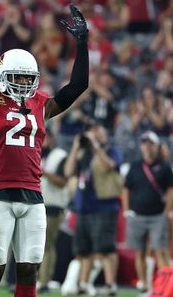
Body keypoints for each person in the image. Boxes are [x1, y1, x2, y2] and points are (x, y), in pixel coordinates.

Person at [0, 0, 89, 297]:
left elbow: (77, 86)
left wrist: (83, 45)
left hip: (34, 196)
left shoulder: (40, 105)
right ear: (1, 76)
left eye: (28, 78)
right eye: (17, 77)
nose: (23, 83)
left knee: (28, 270)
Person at [64, 123, 123, 296]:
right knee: (84, 249)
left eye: (98, 131)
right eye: (92, 132)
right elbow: (68, 172)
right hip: (83, 207)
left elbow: (110, 165)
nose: (95, 135)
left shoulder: (112, 151)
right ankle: (83, 284)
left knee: (106, 248)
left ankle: (111, 285)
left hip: (104, 206)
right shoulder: (83, 153)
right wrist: (76, 147)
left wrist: (97, 147)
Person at [122, 131, 173, 294]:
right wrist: (126, 210)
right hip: (137, 215)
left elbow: (171, 190)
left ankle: (165, 286)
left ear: (157, 146)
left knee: (161, 251)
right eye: (144, 143)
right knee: (140, 252)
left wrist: (166, 212)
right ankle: (144, 284)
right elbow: (126, 189)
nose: (147, 146)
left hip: (157, 215)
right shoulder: (135, 166)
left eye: (150, 143)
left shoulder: (165, 167)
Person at [38, 128, 69, 293]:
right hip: (37, 203)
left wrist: (45, 173)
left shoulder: (60, 155)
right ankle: (36, 280)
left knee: (47, 245)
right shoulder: (38, 153)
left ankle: (44, 282)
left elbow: (63, 181)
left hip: (53, 205)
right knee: (36, 245)